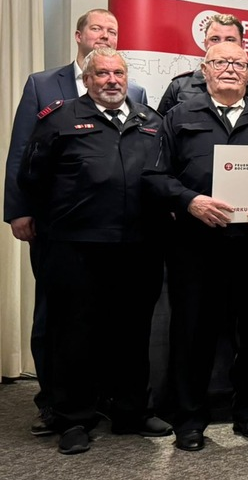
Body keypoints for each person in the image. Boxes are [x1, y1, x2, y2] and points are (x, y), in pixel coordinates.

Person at [144, 41, 248, 451]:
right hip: (196, 246)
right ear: (205, 69)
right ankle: (190, 419)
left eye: (238, 63)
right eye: (221, 62)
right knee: (192, 332)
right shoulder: (178, 117)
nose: (229, 69)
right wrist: (189, 201)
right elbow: (156, 176)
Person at [18, 48, 170, 454]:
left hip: (138, 246)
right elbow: (32, 176)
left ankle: (130, 411)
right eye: (101, 73)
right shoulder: (58, 118)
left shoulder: (151, 121)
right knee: (75, 332)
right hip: (76, 246)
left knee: (133, 332)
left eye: (118, 72)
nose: (111, 80)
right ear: (87, 79)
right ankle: (73, 418)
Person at [3, 8, 147, 437]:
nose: (105, 35)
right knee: (58, 317)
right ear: (79, 36)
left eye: (113, 31)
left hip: (121, 234)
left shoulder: (135, 91)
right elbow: (23, 156)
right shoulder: (43, 85)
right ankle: (55, 403)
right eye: (98, 28)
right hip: (61, 229)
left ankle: (104, 398)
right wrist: (20, 210)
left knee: (111, 320)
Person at [156, 13, 248, 114]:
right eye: (215, 39)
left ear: (242, 45)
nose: (222, 45)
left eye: (230, 40)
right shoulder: (180, 86)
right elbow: (163, 129)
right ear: (206, 44)